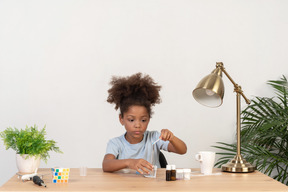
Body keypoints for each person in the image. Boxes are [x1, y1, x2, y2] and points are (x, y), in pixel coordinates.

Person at [102, 73, 187, 174]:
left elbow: (182, 150)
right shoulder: (116, 143)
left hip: (151, 187)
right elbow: (106, 165)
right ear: (121, 119)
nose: (137, 125)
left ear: (149, 119)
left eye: (143, 120)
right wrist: (129, 162)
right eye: (131, 120)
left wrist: (172, 138)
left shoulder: (154, 138)